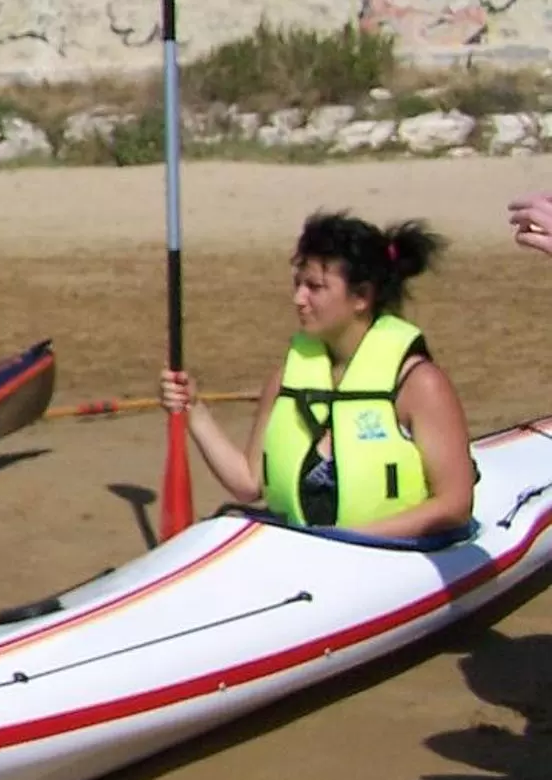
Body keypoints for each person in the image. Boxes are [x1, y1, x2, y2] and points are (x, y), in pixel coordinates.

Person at [160, 211, 472, 543]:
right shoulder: (286, 379)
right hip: (313, 558)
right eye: (298, 284)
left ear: (362, 296)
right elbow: (249, 483)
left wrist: (347, 541)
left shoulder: (419, 384)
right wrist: (194, 409)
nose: (299, 299)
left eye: (315, 287)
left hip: (392, 558)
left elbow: (454, 504)